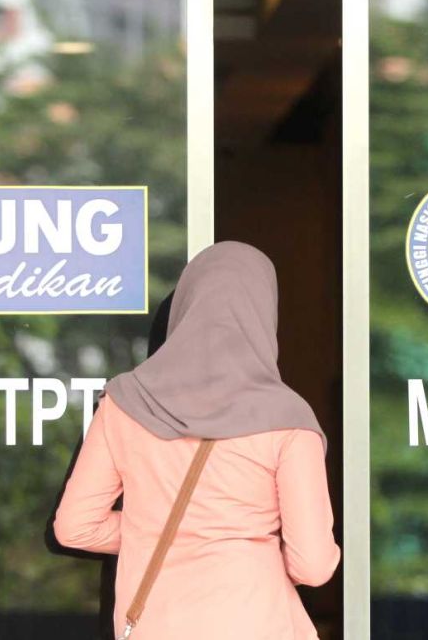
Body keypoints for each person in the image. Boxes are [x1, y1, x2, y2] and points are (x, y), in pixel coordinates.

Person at [53, 241, 341, 640]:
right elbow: (313, 565)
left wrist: (154, 531)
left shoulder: (123, 403)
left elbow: (75, 527)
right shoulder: (289, 419)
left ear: (185, 306)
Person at [43, 292, 174, 640]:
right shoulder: (123, 410)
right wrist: (179, 535)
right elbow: (67, 532)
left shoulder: (238, 419)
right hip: (138, 614)